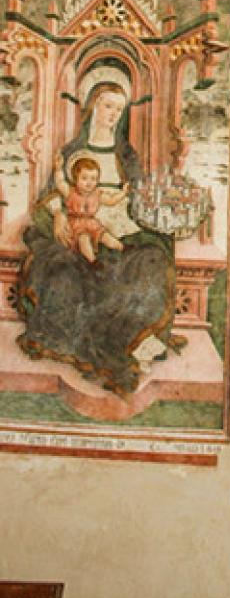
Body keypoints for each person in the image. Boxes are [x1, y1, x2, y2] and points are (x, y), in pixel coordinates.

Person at [18, 79, 179, 395]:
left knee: (152, 259)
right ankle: (95, 344)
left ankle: (137, 338)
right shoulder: (72, 152)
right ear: (92, 108)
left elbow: (138, 198)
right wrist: (61, 214)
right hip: (78, 229)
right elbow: (53, 193)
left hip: (118, 228)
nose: (112, 114)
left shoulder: (126, 156)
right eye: (107, 106)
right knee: (65, 268)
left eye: (119, 109)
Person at [54, 153, 128, 263]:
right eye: (84, 178)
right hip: (76, 224)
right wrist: (58, 169)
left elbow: (111, 200)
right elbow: (60, 183)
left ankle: (123, 248)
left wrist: (123, 192)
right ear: (75, 178)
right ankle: (93, 261)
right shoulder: (70, 192)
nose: (89, 183)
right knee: (84, 239)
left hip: (92, 223)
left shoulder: (97, 194)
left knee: (106, 236)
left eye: (93, 179)